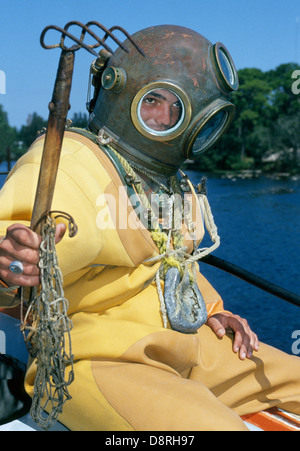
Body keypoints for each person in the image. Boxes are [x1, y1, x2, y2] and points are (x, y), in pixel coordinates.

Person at [0, 24, 300, 431]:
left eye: (178, 109)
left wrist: (214, 311)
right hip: (96, 360)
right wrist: (16, 263)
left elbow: (175, 263)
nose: (165, 118)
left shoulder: (174, 182)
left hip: (191, 348)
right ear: (121, 93)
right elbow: (25, 244)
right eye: (154, 101)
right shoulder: (69, 162)